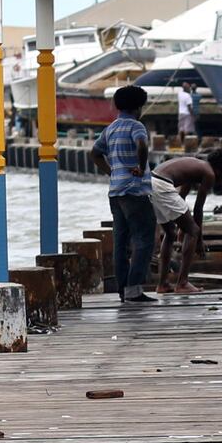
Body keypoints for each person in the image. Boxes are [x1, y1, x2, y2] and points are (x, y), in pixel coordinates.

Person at [92, 85, 157, 304]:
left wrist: (111, 171)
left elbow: (95, 153)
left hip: (116, 192)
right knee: (144, 239)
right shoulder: (136, 125)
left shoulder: (110, 128)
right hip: (135, 191)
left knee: (121, 242)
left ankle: (123, 290)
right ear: (138, 107)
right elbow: (142, 144)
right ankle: (134, 290)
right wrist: (140, 166)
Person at [150, 149, 222, 294]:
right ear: (221, 170)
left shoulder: (196, 165)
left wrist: (182, 226)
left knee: (170, 232)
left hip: (151, 182)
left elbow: (182, 196)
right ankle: (182, 283)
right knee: (193, 230)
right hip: (162, 185)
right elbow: (198, 209)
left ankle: (163, 284)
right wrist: (199, 239)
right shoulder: (209, 174)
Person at [177, 82, 198, 149]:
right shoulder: (188, 96)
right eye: (189, 88)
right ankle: (186, 143)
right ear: (187, 88)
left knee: (181, 129)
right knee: (187, 130)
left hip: (181, 113)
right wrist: (193, 115)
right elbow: (189, 107)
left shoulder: (180, 94)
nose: (190, 89)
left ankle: (180, 143)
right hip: (187, 114)